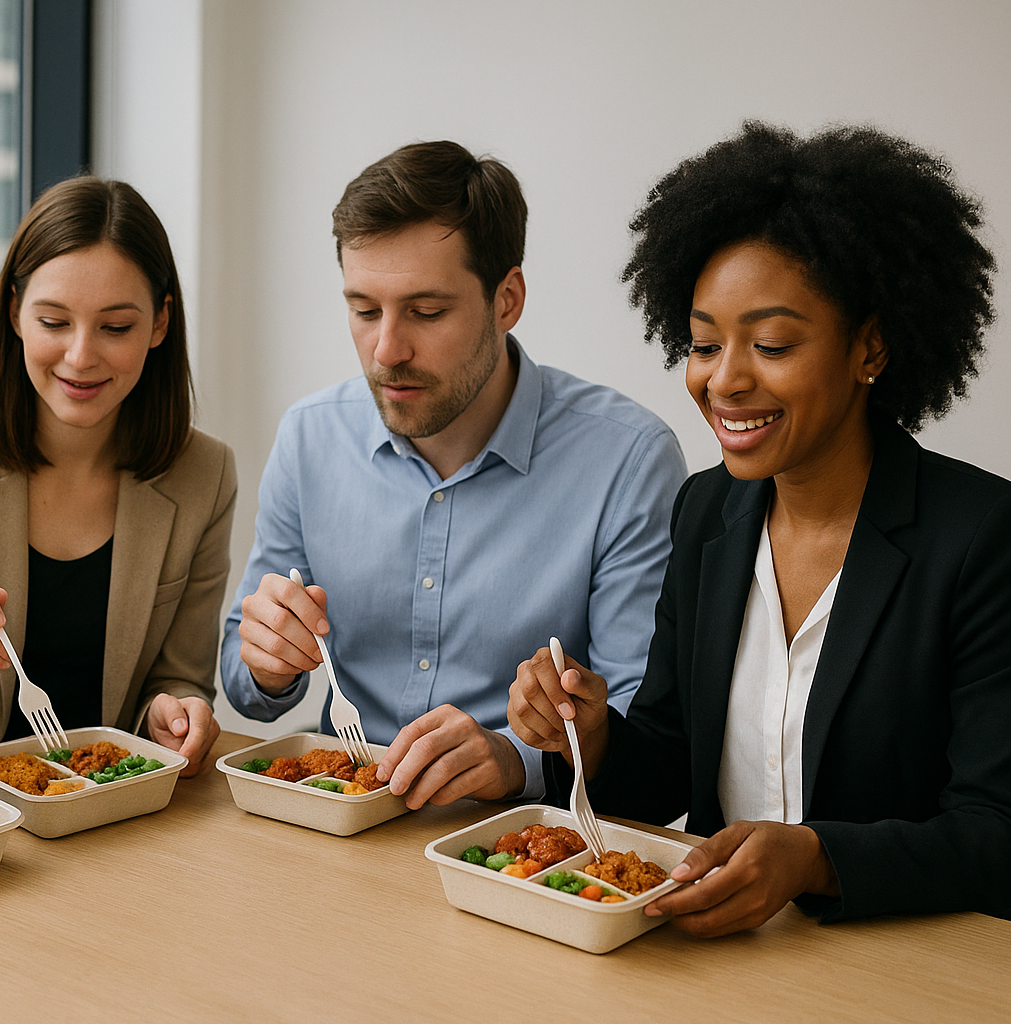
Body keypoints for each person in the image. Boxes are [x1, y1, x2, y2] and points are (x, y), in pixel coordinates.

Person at [510, 122, 1011, 934]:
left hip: (918, 964)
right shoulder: (705, 514)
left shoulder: (988, 536)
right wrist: (589, 734)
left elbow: (1010, 835)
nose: (724, 380)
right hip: (724, 950)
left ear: (869, 347)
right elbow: (664, 767)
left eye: (769, 344)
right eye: (701, 344)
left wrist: (817, 858)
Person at [222, 141, 687, 808]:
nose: (387, 350)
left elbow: (643, 726)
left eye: (427, 311)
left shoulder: (629, 461)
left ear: (507, 299)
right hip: (336, 822)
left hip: (521, 851)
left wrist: (514, 758)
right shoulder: (309, 436)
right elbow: (247, 687)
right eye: (363, 309)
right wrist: (265, 666)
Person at [0, 177, 234, 775]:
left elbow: (179, 677)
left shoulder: (203, 474)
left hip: (115, 810)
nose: (82, 355)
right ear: (15, 313)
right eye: (54, 322)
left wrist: (175, 714)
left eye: (116, 328)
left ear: (160, 324)